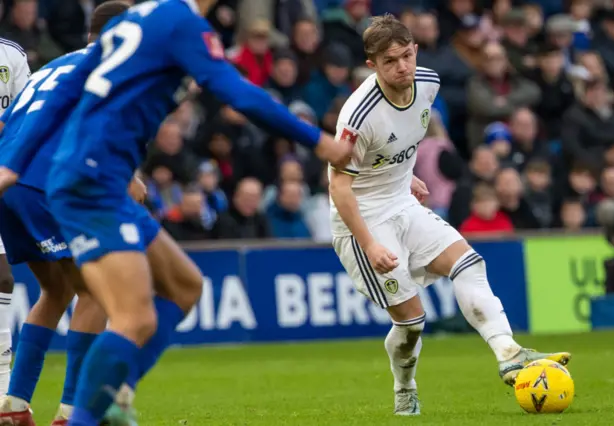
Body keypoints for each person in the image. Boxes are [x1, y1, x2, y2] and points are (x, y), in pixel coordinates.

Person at [0, 1, 352, 425]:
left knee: (183, 285)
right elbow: (239, 93)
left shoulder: (132, 24)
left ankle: (98, 396)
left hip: (65, 176)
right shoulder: (177, 23)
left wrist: (10, 166)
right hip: (87, 181)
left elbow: (60, 97)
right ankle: (81, 414)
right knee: (125, 311)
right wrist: (320, 142)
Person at [329, 14, 571, 416]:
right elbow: (339, 187)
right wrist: (369, 243)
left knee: (469, 263)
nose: (402, 66)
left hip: (402, 202)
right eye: (390, 61)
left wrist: (407, 178)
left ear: (416, 49)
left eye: (406, 55)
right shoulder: (358, 115)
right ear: (372, 65)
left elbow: (404, 142)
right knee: (412, 325)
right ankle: (404, 388)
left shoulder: (428, 83)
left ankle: (508, 352)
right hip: (364, 217)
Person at [0, 3, 137, 425]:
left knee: (56, 291)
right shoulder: (112, 70)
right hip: (45, 184)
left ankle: (14, 406)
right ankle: (72, 412)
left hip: (9, 184)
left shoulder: (53, 66)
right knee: (95, 290)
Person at [0, 33, 31, 395]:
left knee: (3, 278)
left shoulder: (11, 55)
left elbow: (26, 116)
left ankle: (6, 400)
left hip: (5, 176)